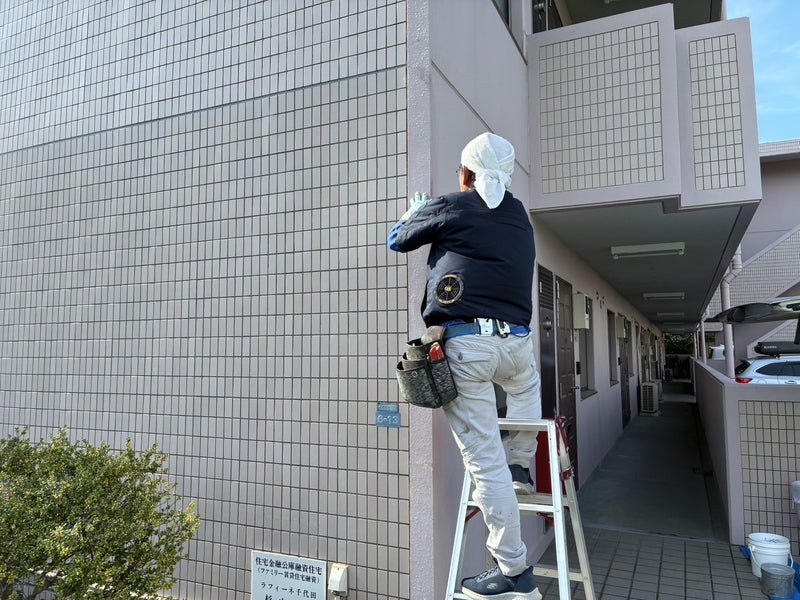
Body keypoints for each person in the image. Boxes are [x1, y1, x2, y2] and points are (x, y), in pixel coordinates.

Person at [388, 132, 543, 600]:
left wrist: (415, 213)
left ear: (468, 173)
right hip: (517, 344)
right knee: (525, 391)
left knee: (484, 462)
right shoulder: (519, 215)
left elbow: (397, 240)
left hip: (469, 344)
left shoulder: (454, 205)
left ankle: (513, 569)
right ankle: (521, 465)